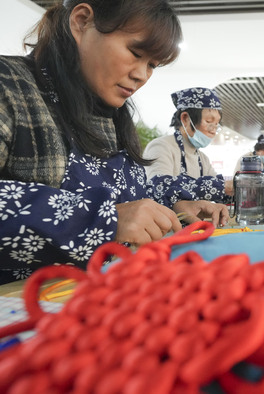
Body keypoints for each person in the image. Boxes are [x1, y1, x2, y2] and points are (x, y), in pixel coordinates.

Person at [0, 0, 227, 284]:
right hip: (27, 305)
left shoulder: (113, 115)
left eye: (152, 65)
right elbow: (113, 212)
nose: (141, 75)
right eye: (135, 52)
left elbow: (125, 199)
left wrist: (173, 206)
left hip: (105, 297)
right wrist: (104, 219)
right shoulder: (10, 86)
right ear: (82, 22)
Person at [143, 87, 233, 205]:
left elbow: (219, 190)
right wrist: (222, 187)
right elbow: (160, 186)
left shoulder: (202, 158)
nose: (214, 130)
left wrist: (236, 189)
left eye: (216, 124)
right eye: (209, 121)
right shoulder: (160, 147)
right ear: (185, 119)